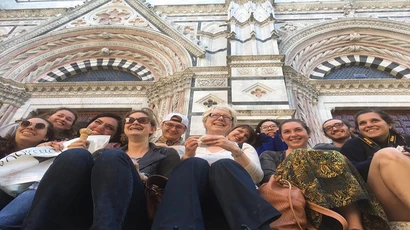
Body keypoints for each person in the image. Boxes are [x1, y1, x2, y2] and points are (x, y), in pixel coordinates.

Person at [22, 108, 180, 230]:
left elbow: (168, 190)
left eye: (142, 120)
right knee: (76, 155)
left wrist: (140, 176)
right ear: (125, 128)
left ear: (152, 129)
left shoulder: (166, 153)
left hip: (135, 210)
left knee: (114, 157)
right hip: (91, 208)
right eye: (130, 120)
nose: (135, 122)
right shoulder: (102, 152)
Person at [152, 105, 281, 230]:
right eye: (214, 115)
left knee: (224, 164)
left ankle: (249, 226)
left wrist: (234, 150)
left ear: (231, 125)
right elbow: (175, 180)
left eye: (226, 117)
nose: (220, 118)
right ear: (204, 122)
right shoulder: (184, 148)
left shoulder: (242, 147)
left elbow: (257, 177)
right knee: (193, 163)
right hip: (194, 200)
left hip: (233, 199)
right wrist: (188, 155)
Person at [0, 113, 123, 230]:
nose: (100, 127)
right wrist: (43, 149)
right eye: (97, 122)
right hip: (25, 184)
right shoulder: (59, 143)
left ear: (114, 136)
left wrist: (74, 157)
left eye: (109, 128)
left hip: (67, 195)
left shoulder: (112, 153)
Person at [260, 119, 389, 230]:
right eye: (287, 132)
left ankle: (355, 224)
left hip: (332, 197)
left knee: (332, 156)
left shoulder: (328, 153)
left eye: (298, 130)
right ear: (282, 138)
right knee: (299, 154)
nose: (293, 134)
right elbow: (269, 178)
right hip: (291, 195)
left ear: (308, 134)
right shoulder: (271, 155)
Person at [340, 109, 410, 222]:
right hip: (383, 199)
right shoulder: (353, 145)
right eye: (362, 123)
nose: (369, 125)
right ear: (359, 130)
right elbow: (348, 174)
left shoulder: (406, 139)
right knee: (387, 153)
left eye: (374, 120)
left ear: (389, 124)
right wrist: (376, 159)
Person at [0, 117, 55, 228]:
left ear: (46, 137)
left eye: (39, 126)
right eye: (26, 123)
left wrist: (43, 151)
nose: (30, 127)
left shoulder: (49, 155)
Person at [0, 107, 78, 141]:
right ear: (48, 117)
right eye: (60, 116)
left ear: (70, 126)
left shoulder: (67, 141)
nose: (62, 119)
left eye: (68, 119)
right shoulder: (19, 127)